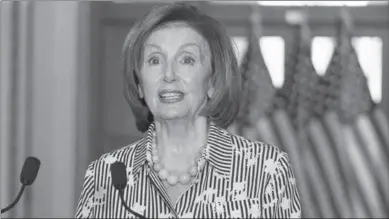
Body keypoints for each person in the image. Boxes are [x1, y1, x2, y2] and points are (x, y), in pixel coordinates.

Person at [75, 2, 301, 218]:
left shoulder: (267, 170)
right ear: (139, 84)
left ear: (213, 81)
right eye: (155, 60)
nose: (169, 75)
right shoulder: (105, 175)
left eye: (186, 59)